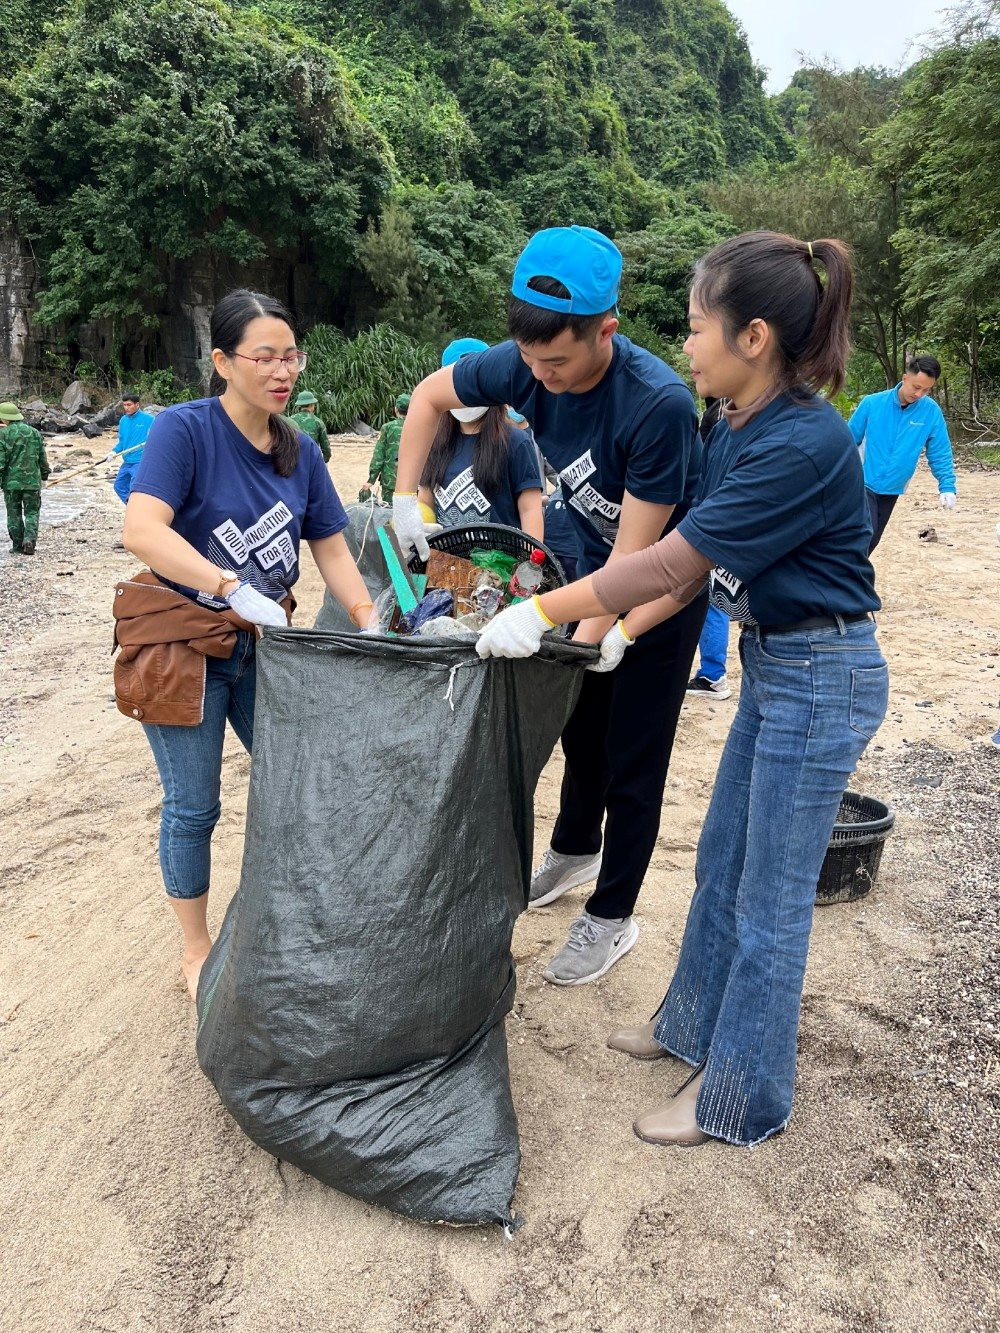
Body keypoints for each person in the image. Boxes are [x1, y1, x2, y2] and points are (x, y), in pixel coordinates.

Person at [476, 231, 888, 1149]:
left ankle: (740, 1099)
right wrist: (615, 626)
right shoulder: (733, 422)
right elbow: (679, 569)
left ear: (753, 338)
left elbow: (670, 557)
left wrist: (545, 613)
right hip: (778, 665)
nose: (685, 343)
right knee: (720, 868)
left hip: (824, 675)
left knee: (771, 900)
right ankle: (688, 1028)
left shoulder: (801, 441)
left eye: (698, 326)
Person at [393, 227, 705, 985]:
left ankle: (612, 915)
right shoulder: (526, 365)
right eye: (529, 361)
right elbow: (431, 396)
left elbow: (637, 560)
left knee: (633, 752)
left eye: (558, 361)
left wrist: (578, 635)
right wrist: (407, 495)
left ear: (608, 329)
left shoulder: (655, 403)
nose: (540, 376)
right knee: (579, 725)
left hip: (660, 588)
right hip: (588, 573)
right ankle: (572, 849)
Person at [121, 289, 373, 1003]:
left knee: (302, 776)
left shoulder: (300, 449)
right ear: (224, 361)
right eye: (264, 356)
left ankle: (299, 904)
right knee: (195, 806)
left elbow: (331, 544)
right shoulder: (185, 431)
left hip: (266, 647)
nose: (281, 370)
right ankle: (195, 946)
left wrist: (367, 614)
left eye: (290, 355)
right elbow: (143, 529)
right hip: (184, 646)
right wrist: (228, 585)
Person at [417, 339, 543, 540]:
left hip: (500, 565)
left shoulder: (516, 442)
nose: (466, 394)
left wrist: (531, 563)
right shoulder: (433, 443)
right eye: (458, 385)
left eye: (475, 384)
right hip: (445, 565)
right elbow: (425, 500)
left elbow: (530, 510)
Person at [848, 354, 956, 553]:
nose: (919, 394)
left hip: (893, 487)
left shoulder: (931, 412)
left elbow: (940, 451)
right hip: (862, 481)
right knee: (864, 534)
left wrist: (947, 485)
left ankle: (847, 579)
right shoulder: (872, 404)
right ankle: (848, 581)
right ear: (905, 378)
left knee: (872, 540)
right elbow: (846, 441)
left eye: (926, 390)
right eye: (916, 387)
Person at [686, 399, 732, 699]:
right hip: (720, 521)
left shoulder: (724, 413)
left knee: (712, 600)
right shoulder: (723, 407)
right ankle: (713, 673)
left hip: (715, 524)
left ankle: (714, 675)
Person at [0, 400, 49, 555]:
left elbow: (1, 462)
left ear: (4, 419)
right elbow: (42, 457)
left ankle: (17, 546)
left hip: (11, 483)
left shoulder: (3, 434)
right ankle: (29, 541)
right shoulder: (34, 433)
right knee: (32, 513)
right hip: (33, 482)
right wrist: (45, 475)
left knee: (13, 514)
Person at [362, 394, 408, 504]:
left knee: (389, 513)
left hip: (390, 481)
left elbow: (379, 455)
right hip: (413, 482)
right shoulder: (419, 427)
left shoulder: (387, 428)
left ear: (396, 409)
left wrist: (371, 480)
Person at [110, 391, 155, 504]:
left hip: (140, 461)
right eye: (124, 405)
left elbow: (157, 438)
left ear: (137, 405)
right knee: (118, 486)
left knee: (135, 488)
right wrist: (113, 452)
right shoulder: (123, 420)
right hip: (127, 461)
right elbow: (122, 442)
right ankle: (133, 507)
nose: (126, 408)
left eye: (129, 405)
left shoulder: (149, 419)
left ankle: (137, 511)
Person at [288, 390, 331, 462]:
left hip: (293, 459)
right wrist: (325, 460)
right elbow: (326, 447)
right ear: (311, 405)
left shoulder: (289, 420)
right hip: (311, 459)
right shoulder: (318, 422)